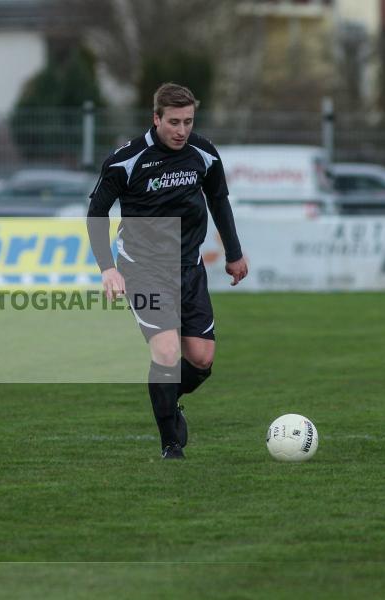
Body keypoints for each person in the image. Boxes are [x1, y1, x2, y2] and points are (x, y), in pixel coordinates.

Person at [87, 82, 248, 459]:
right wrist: (108, 269)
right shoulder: (126, 160)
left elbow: (220, 201)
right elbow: (97, 215)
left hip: (189, 269)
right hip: (142, 270)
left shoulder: (203, 153)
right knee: (166, 352)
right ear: (156, 118)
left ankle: (168, 399)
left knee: (202, 359)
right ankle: (171, 444)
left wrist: (234, 253)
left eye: (188, 122)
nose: (181, 130)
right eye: (173, 122)